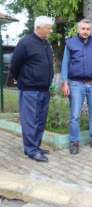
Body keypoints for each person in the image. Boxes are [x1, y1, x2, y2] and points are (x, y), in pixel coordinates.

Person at [10, 16, 54, 162]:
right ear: (38, 27)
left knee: (40, 121)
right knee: (30, 120)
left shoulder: (46, 43)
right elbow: (15, 65)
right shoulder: (25, 43)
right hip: (30, 89)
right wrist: (21, 80)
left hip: (44, 90)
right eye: (48, 27)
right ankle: (31, 150)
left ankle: (35, 146)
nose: (51, 30)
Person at [61, 19, 92, 155]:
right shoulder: (70, 43)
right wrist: (65, 82)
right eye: (83, 29)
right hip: (76, 84)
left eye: (88, 29)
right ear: (78, 29)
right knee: (75, 115)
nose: (85, 31)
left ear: (91, 30)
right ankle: (74, 142)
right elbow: (65, 63)